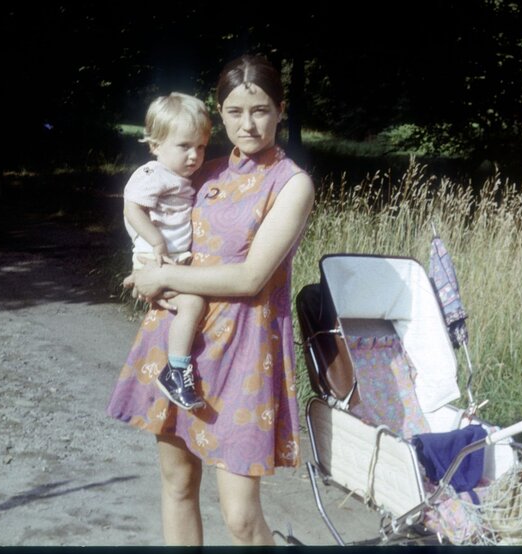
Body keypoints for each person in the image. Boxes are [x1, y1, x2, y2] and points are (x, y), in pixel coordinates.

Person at [107, 54, 315, 546]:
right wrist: (145, 268)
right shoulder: (203, 171)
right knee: (178, 484)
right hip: (182, 344)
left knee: (241, 518)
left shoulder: (291, 184)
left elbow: (251, 277)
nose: (249, 123)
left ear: (280, 111)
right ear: (220, 113)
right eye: (236, 111)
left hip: (245, 350)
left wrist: (166, 274)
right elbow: (148, 216)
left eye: (261, 110)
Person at [123, 92, 212, 410]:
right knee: (192, 302)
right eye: (184, 146)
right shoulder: (152, 174)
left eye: (200, 147)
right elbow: (133, 209)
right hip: (155, 256)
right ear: (156, 145)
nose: (194, 155)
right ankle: (176, 370)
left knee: (192, 303)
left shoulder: (179, 176)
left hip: (170, 259)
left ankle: (176, 363)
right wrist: (157, 242)